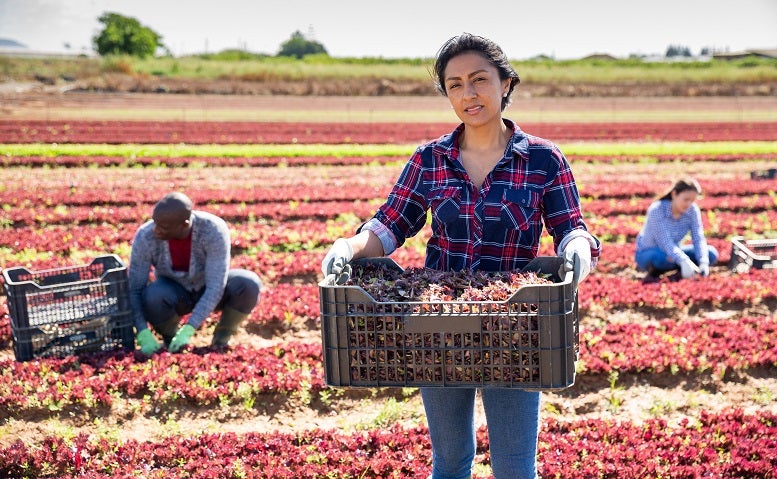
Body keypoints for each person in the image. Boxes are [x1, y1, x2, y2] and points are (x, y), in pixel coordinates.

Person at [321, 33, 600, 479]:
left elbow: (569, 226)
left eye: (479, 80)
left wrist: (577, 248)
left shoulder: (544, 160)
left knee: (514, 466)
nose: (468, 94)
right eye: (455, 85)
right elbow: (391, 224)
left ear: (505, 84)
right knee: (450, 462)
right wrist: (349, 247)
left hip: (514, 326)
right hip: (440, 324)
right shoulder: (430, 159)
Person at [129, 192, 262, 355]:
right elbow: (135, 289)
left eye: (163, 227)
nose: (155, 230)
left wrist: (189, 328)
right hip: (174, 292)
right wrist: (142, 331)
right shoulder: (145, 236)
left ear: (185, 225)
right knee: (152, 296)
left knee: (247, 284)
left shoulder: (213, 230)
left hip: (207, 287)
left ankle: (221, 340)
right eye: (155, 223)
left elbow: (215, 286)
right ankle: (171, 340)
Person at [635, 177, 718, 282]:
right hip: (650, 252)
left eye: (692, 201)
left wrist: (703, 262)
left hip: (674, 252)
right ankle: (676, 266)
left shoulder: (692, 210)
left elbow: (698, 237)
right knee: (660, 258)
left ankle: (677, 266)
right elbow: (665, 242)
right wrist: (683, 260)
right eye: (686, 199)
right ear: (674, 194)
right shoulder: (657, 210)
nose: (689, 204)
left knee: (710, 253)